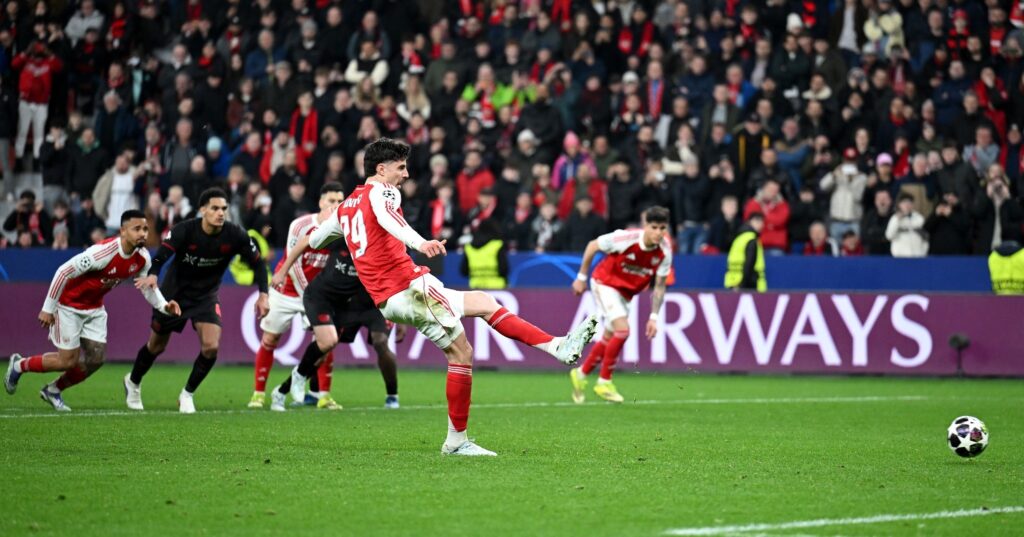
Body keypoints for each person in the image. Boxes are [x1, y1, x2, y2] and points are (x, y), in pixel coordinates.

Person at [284, 138, 597, 456]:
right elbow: (391, 218)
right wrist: (420, 243)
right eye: (400, 167)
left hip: (389, 299)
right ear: (380, 169)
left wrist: (328, 228)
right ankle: (461, 438)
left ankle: (554, 348)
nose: (405, 174)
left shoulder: (346, 206)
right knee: (466, 344)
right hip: (410, 288)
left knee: (478, 315)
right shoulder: (383, 191)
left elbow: (316, 240)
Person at [4, 210, 180, 411]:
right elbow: (63, 272)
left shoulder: (142, 258)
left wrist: (164, 306)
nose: (143, 234)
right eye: (137, 229)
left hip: (94, 308)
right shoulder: (102, 253)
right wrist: (48, 308)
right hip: (68, 306)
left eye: (146, 229)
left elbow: (147, 287)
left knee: (96, 359)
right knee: (67, 361)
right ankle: (19, 365)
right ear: (123, 231)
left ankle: (53, 390)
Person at [126, 188, 270, 413]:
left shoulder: (235, 234)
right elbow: (162, 255)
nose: (220, 213)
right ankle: (133, 382)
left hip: (206, 296)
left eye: (223, 208)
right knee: (156, 346)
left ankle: (187, 394)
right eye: (215, 208)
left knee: (211, 347)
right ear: (203, 210)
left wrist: (263, 294)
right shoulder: (185, 230)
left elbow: (259, 263)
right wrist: (153, 274)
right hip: (174, 295)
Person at [270, 193, 409, 412]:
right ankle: (292, 385)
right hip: (328, 299)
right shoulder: (344, 235)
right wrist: (282, 271)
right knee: (326, 345)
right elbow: (305, 242)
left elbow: (400, 276)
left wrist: (401, 316)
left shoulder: (388, 245)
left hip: (368, 303)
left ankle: (392, 395)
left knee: (374, 341)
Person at [248, 183, 343, 410]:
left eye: (340, 201)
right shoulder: (301, 225)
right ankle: (258, 393)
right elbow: (294, 262)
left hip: (316, 294)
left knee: (325, 342)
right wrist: (311, 294)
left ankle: (323, 395)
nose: (336, 205)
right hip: (288, 290)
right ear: (321, 202)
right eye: (331, 201)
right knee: (270, 339)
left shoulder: (343, 229)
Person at [568, 207, 672, 404]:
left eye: (662, 228)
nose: (658, 233)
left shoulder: (665, 251)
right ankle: (604, 382)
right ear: (645, 226)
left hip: (625, 294)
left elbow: (659, 286)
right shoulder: (625, 238)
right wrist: (581, 277)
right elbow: (592, 245)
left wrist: (654, 317)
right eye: (654, 227)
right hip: (604, 283)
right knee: (623, 330)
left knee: (610, 337)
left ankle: (580, 374)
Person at [724, 212, 766, 291]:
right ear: (749, 222)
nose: (760, 224)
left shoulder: (739, 237)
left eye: (761, 221)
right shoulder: (751, 239)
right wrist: (742, 285)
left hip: (733, 281)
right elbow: (749, 264)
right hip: (747, 285)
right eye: (757, 221)